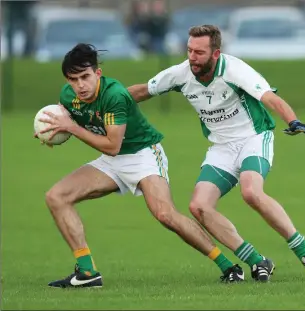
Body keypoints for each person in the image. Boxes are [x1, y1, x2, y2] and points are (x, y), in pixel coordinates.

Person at [35, 43, 268, 289]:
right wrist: (52, 132)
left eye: (85, 77)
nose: (80, 85)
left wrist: (71, 128)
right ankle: (87, 272)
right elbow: (73, 119)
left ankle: (228, 267)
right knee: (56, 197)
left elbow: (111, 144)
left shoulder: (114, 96)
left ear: (97, 74)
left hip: (143, 154)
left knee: (165, 214)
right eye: (74, 79)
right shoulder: (68, 96)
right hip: (113, 161)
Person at [127, 25, 305, 279]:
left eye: (199, 52)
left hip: (253, 137)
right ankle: (257, 260)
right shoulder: (181, 73)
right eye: (189, 50)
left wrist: (293, 120)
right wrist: (105, 99)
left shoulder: (235, 70)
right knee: (198, 206)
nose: (192, 57)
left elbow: (269, 98)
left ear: (215, 54)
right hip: (222, 147)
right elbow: (143, 90)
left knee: (251, 192)